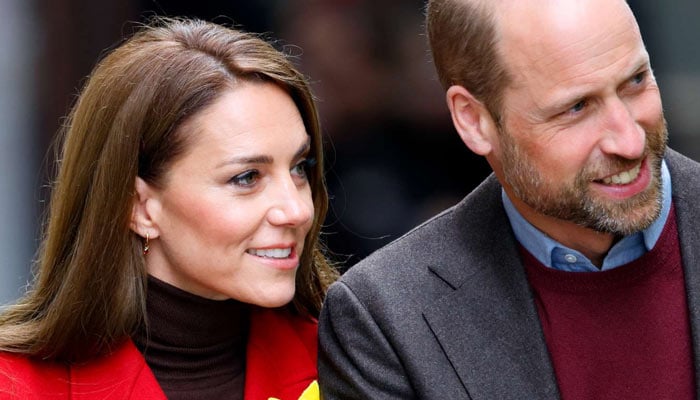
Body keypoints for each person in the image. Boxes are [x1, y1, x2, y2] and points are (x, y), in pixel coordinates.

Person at [318, 0, 700, 398]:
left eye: (635, 81)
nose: (630, 141)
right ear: (474, 120)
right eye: (577, 108)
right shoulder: (386, 319)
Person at [0, 17, 336, 400]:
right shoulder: (15, 387)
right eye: (247, 177)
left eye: (300, 168)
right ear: (139, 207)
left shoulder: (354, 359)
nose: (297, 210)